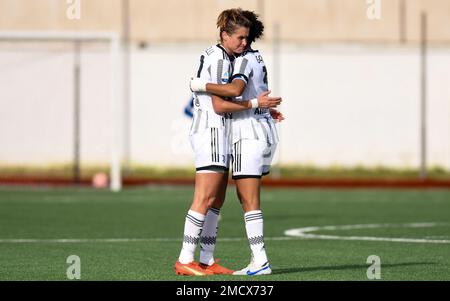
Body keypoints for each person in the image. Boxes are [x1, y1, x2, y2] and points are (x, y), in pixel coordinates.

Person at [175, 8, 282, 276]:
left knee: (217, 199)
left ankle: (207, 259)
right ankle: (186, 258)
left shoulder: (226, 55)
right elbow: (223, 104)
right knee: (206, 196)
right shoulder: (223, 59)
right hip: (211, 130)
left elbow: (232, 95)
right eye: (240, 38)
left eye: (247, 38)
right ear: (224, 35)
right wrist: (199, 85)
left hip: (225, 133)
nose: (244, 43)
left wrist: (260, 107)